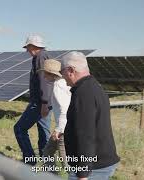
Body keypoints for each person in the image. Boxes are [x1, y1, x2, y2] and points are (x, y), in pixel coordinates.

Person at [60, 51, 120, 180]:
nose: (62, 76)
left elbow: (86, 135)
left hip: (93, 168)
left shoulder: (83, 93)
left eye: (62, 72)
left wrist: (82, 173)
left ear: (70, 70)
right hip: (97, 163)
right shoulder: (93, 86)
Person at [14, 35, 53, 165]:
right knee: (44, 135)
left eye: (28, 47)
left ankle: (29, 160)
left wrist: (44, 103)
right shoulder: (43, 56)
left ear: (33, 46)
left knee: (19, 129)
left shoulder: (40, 57)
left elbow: (45, 81)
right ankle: (48, 166)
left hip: (40, 103)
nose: (27, 50)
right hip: (44, 102)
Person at [38, 59, 71, 172]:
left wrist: (58, 129)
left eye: (45, 72)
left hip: (63, 129)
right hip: (64, 127)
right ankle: (52, 175)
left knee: (66, 162)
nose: (43, 75)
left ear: (51, 74)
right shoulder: (62, 83)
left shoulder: (58, 86)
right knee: (47, 152)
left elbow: (64, 109)